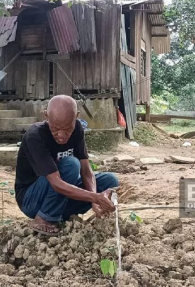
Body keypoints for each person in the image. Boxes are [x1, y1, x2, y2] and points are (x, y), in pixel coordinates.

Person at [15, 95, 119, 236]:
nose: (62, 135)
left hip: (59, 195)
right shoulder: (35, 136)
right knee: (70, 164)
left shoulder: (77, 129)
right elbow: (56, 182)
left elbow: (86, 170)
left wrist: (95, 199)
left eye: (67, 129)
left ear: (76, 116)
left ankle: (59, 214)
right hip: (31, 199)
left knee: (109, 181)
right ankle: (44, 217)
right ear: (46, 115)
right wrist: (94, 197)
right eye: (55, 129)